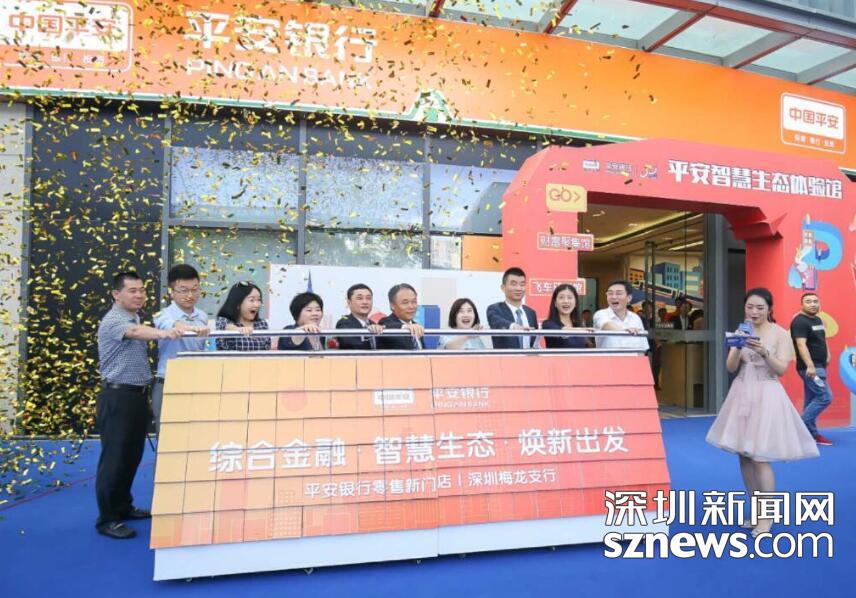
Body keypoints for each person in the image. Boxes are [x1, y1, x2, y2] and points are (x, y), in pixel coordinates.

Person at [706, 288, 819, 536]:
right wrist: (737, 345)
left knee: (760, 456)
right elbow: (730, 367)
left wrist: (763, 352)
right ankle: (756, 509)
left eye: (760, 307)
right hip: (741, 392)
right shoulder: (741, 330)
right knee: (744, 455)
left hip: (767, 394)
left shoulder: (780, 334)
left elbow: (781, 370)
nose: (754, 312)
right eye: (750, 307)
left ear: (769, 309)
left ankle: (767, 516)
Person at [96, 271, 182, 539]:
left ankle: (123, 506)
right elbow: (135, 333)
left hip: (136, 396)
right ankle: (107, 519)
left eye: (142, 290)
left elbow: (138, 328)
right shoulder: (115, 320)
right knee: (114, 459)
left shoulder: (133, 317)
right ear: (116, 294)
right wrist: (164, 333)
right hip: (118, 397)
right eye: (132, 291)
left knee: (131, 456)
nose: (139, 295)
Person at [152, 264, 209, 434]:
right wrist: (191, 329)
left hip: (197, 380)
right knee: (168, 436)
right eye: (183, 290)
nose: (190, 295)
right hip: (168, 380)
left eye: (195, 289)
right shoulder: (162, 315)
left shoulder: (202, 316)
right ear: (172, 292)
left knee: (196, 433)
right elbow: (174, 326)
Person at [790, 292, 833, 446]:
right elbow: (801, 344)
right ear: (801, 305)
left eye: (815, 301)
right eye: (808, 301)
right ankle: (799, 427)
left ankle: (810, 435)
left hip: (820, 366)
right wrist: (810, 365)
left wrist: (828, 354)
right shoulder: (800, 322)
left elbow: (822, 339)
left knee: (810, 401)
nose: (813, 304)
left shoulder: (818, 320)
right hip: (811, 368)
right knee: (825, 397)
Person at [486, 267, 538, 350]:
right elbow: (497, 322)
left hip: (529, 358)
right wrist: (513, 326)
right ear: (503, 288)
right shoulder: (494, 309)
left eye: (522, 284)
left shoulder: (531, 313)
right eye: (514, 284)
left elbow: (534, 342)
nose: (518, 288)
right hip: (506, 358)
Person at [592, 280, 648, 351]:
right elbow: (606, 325)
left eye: (618, 293)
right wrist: (625, 331)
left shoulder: (635, 318)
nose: (614, 297)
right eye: (610, 293)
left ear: (629, 298)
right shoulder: (600, 314)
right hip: (609, 358)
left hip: (632, 358)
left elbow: (642, 348)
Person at [215, 282, 271, 351]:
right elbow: (226, 327)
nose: (257, 305)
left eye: (259, 300)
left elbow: (267, 350)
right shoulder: (223, 320)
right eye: (252, 300)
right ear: (238, 303)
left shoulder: (262, 324)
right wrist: (240, 330)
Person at [336, 283, 384, 350]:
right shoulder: (344, 323)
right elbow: (354, 345)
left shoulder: (374, 324)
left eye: (368, 298)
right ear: (349, 302)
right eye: (359, 298)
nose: (365, 302)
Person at [377, 283, 425, 350]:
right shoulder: (386, 322)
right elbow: (385, 326)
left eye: (414, 302)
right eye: (405, 303)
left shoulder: (416, 326)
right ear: (392, 305)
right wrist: (406, 327)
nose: (411, 307)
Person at [541, 284, 587, 349]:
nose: (566, 301)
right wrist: (580, 330)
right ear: (555, 303)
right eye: (561, 297)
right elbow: (562, 331)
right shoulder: (548, 324)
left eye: (569, 297)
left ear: (575, 303)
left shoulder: (580, 324)